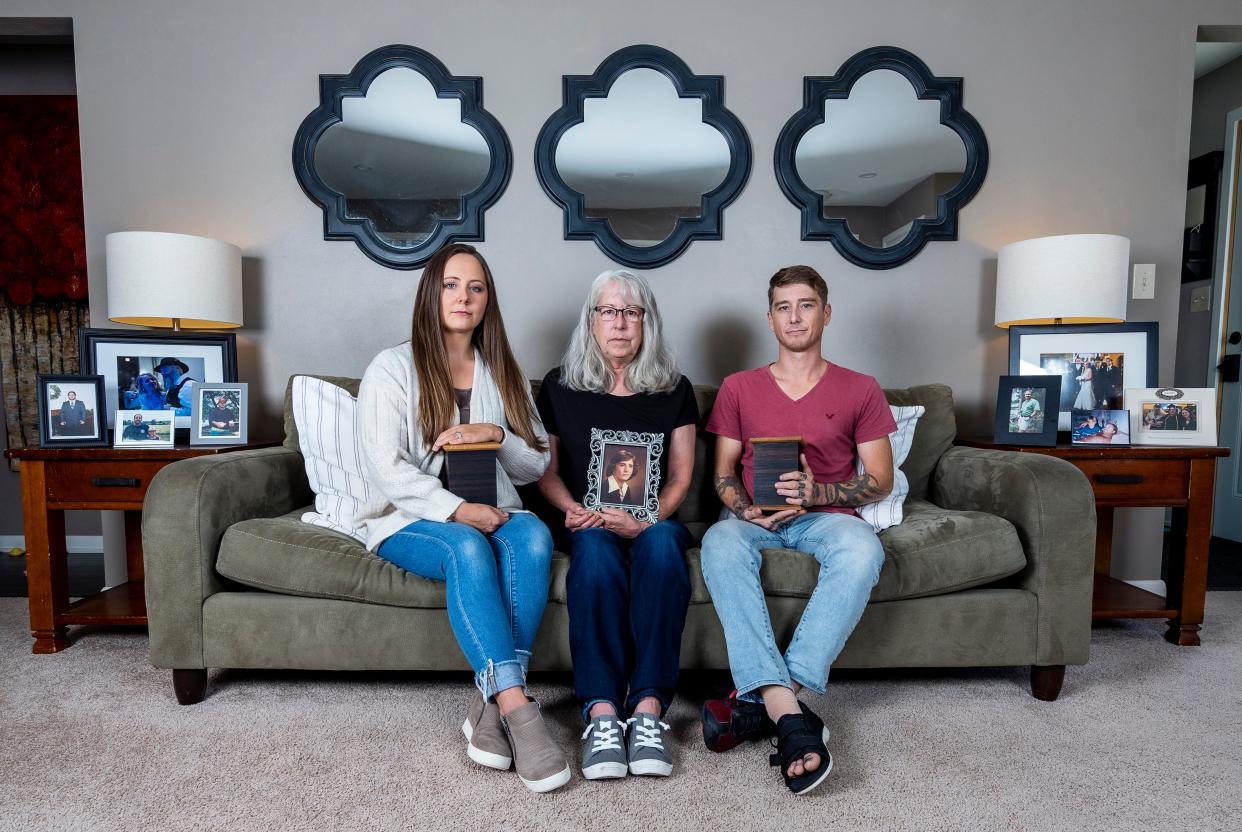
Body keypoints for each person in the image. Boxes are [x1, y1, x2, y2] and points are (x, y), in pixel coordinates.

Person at [356, 243, 569, 794]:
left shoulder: (502, 369)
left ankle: (490, 707)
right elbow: (384, 467)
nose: (463, 296)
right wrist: (455, 510)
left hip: (498, 506)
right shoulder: (392, 367)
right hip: (407, 518)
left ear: (487, 301)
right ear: (432, 292)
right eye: (451, 284)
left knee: (534, 536)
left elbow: (534, 463)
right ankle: (520, 710)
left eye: (476, 287)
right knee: (466, 547)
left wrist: (495, 436)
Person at [698, 265, 895, 796]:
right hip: (752, 520)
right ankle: (791, 714)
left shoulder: (861, 388)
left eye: (806, 305)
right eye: (784, 307)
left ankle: (771, 703)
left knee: (862, 550)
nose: (795, 316)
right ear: (770, 319)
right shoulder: (739, 388)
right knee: (717, 543)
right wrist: (743, 509)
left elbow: (879, 481)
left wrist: (819, 494)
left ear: (826, 313)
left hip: (825, 518)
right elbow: (722, 473)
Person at [535, 269, 698, 781]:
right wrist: (570, 508)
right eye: (609, 311)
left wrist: (647, 518)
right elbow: (547, 471)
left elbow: (681, 476)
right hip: (588, 520)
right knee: (596, 552)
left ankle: (648, 711)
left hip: (653, 522)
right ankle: (602, 713)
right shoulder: (560, 386)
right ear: (592, 320)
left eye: (631, 312)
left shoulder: (674, 388)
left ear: (646, 322)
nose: (620, 323)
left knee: (665, 547)